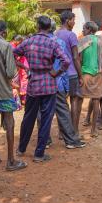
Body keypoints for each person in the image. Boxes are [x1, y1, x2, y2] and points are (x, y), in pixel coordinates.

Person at [14, 16, 69, 162]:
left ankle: (21, 148)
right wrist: (56, 73)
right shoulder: (52, 43)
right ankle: (39, 154)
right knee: (46, 120)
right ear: (49, 27)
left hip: (33, 85)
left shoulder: (29, 41)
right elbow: (66, 61)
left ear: (38, 26)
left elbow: (13, 53)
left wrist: (23, 66)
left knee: (28, 118)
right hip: (49, 85)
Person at [0, 20, 27, 171]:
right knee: (9, 122)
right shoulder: (5, 45)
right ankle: (11, 161)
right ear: (4, 32)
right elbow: (10, 71)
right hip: (3, 90)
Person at [40, 19, 86, 149]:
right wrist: (58, 74)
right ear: (52, 29)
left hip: (39, 83)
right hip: (56, 82)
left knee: (42, 112)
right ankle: (70, 140)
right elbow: (66, 62)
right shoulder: (58, 42)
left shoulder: (34, 42)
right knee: (63, 111)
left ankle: (45, 141)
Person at [77, 21, 102, 137]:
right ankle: (94, 129)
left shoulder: (83, 40)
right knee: (96, 101)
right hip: (98, 74)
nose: (82, 31)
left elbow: (77, 57)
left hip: (84, 74)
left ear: (89, 29)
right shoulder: (101, 40)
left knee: (79, 101)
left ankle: (77, 129)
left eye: (84, 29)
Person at [55, 10, 83, 136]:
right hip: (71, 73)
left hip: (59, 73)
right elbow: (76, 57)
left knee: (61, 104)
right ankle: (74, 131)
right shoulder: (71, 35)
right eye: (73, 19)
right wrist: (80, 75)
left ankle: (62, 131)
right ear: (68, 21)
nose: (74, 22)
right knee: (74, 101)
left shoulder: (56, 34)